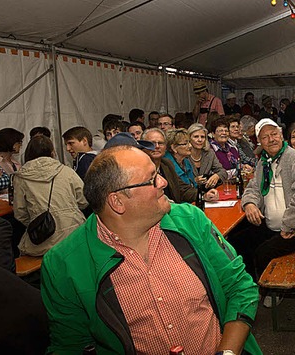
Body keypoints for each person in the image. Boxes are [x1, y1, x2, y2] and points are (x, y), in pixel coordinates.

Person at [40, 145, 261, 355]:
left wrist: (228, 351)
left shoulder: (190, 221)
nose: (163, 182)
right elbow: (71, 345)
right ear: (117, 202)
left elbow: (239, 286)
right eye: (152, 179)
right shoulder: (64, 264)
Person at [230, 119, 295, 290]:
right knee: (237, 241)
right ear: (259, 142)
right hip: (272, 224)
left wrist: (288, 225)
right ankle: (251, 287)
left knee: (262, 253)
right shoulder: (264, 161)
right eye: (265, 137)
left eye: (274, 134)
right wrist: (249, 203)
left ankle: (271, 291)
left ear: (281, 135)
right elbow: (253, 188)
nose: (271, 139)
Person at [13, 135, 87, 256]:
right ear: (52, 152)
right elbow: (84, 200)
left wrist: (38, 221)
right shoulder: (66, 171)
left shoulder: (21, 177)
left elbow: (20, 213)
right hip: (75, 234)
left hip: (42, 240)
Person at [139, 130, 217, 203]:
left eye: (160, 143)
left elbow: (182, 189)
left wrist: (204, 196)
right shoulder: (138, 168)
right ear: (143, 146)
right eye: (152, 143)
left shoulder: (166, 164)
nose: (157, 146)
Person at [186, 123, 228, 189]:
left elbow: (223, 172)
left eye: (202, 137)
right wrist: (194, 181)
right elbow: (180, 181)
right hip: (189, 193)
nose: (200, 140)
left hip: (207, 191)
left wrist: (217, 176)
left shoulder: (209, 153)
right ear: (189, 139)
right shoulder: (184, 155)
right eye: (196, 137)